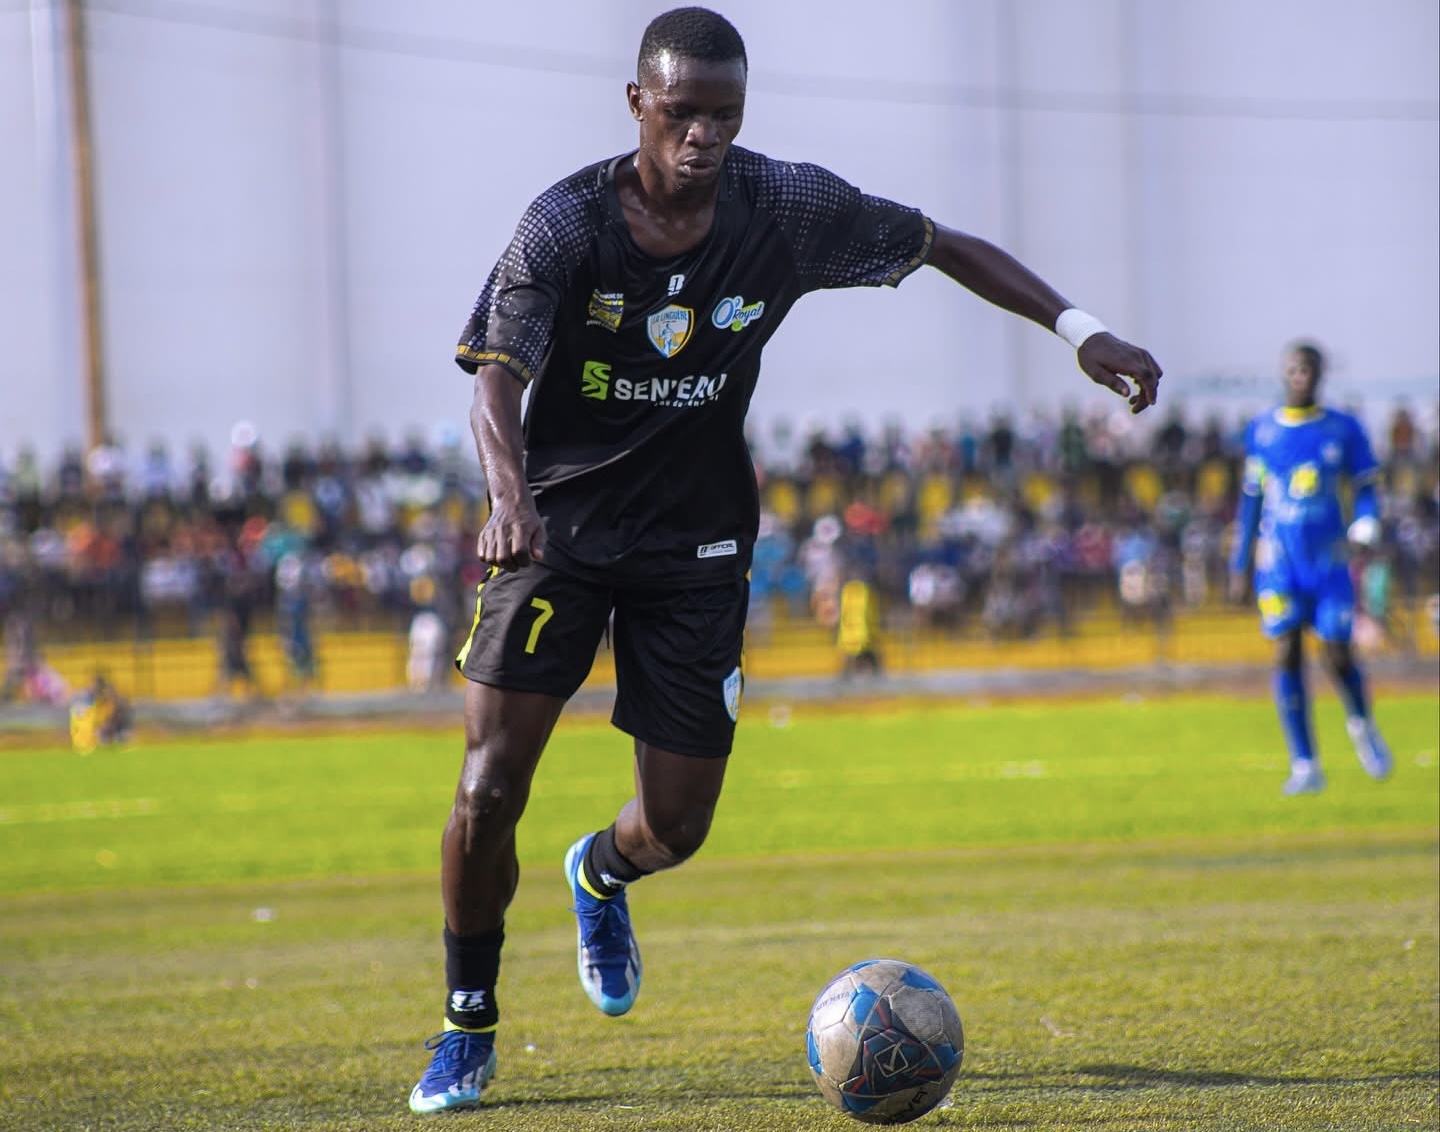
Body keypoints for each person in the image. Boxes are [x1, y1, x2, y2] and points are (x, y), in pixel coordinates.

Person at [409, 6, 1163, 1113]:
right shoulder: (566, 222)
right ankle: (465, 1026)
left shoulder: (788, 207)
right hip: (556, 535)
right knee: (486, 785)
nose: (703, 136)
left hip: (699, 544)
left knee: (676, 824)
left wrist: (1079, 327)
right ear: (637, 107)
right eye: (681, 113)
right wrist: (507, 496)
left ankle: (600, 872)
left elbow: (942, 243)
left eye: (724, 114)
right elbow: (496, 374)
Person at [1227, 341, 1392, 796]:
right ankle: (1305, 763)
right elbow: (1250, 502)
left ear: (1320, 374)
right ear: (1283, 373)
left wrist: (1366, 523)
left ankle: (1362, 725)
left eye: (1308, 369)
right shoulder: (1262, 431)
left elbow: (1366, 487)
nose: (1301, 376)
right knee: (1286, 652)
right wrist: (1238, 565)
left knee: (1338, 654)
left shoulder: (1343, 429)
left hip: (1329, 561)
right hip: (1278, 565)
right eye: (1294, 369)